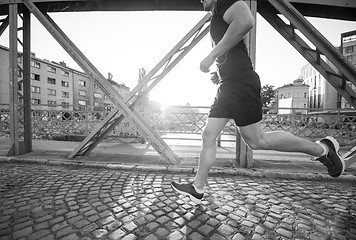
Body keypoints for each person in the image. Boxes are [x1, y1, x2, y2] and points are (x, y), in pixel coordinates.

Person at [171, 0, 345, 204]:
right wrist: (220, 71)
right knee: (208, 134)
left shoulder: (222, 2)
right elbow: (233, 49)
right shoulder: (217, 15)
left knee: (256, 140)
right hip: (228, 85)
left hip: (240, 82)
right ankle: (198, 187)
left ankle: (323, 151)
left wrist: (211, 56)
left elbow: (245, 20)